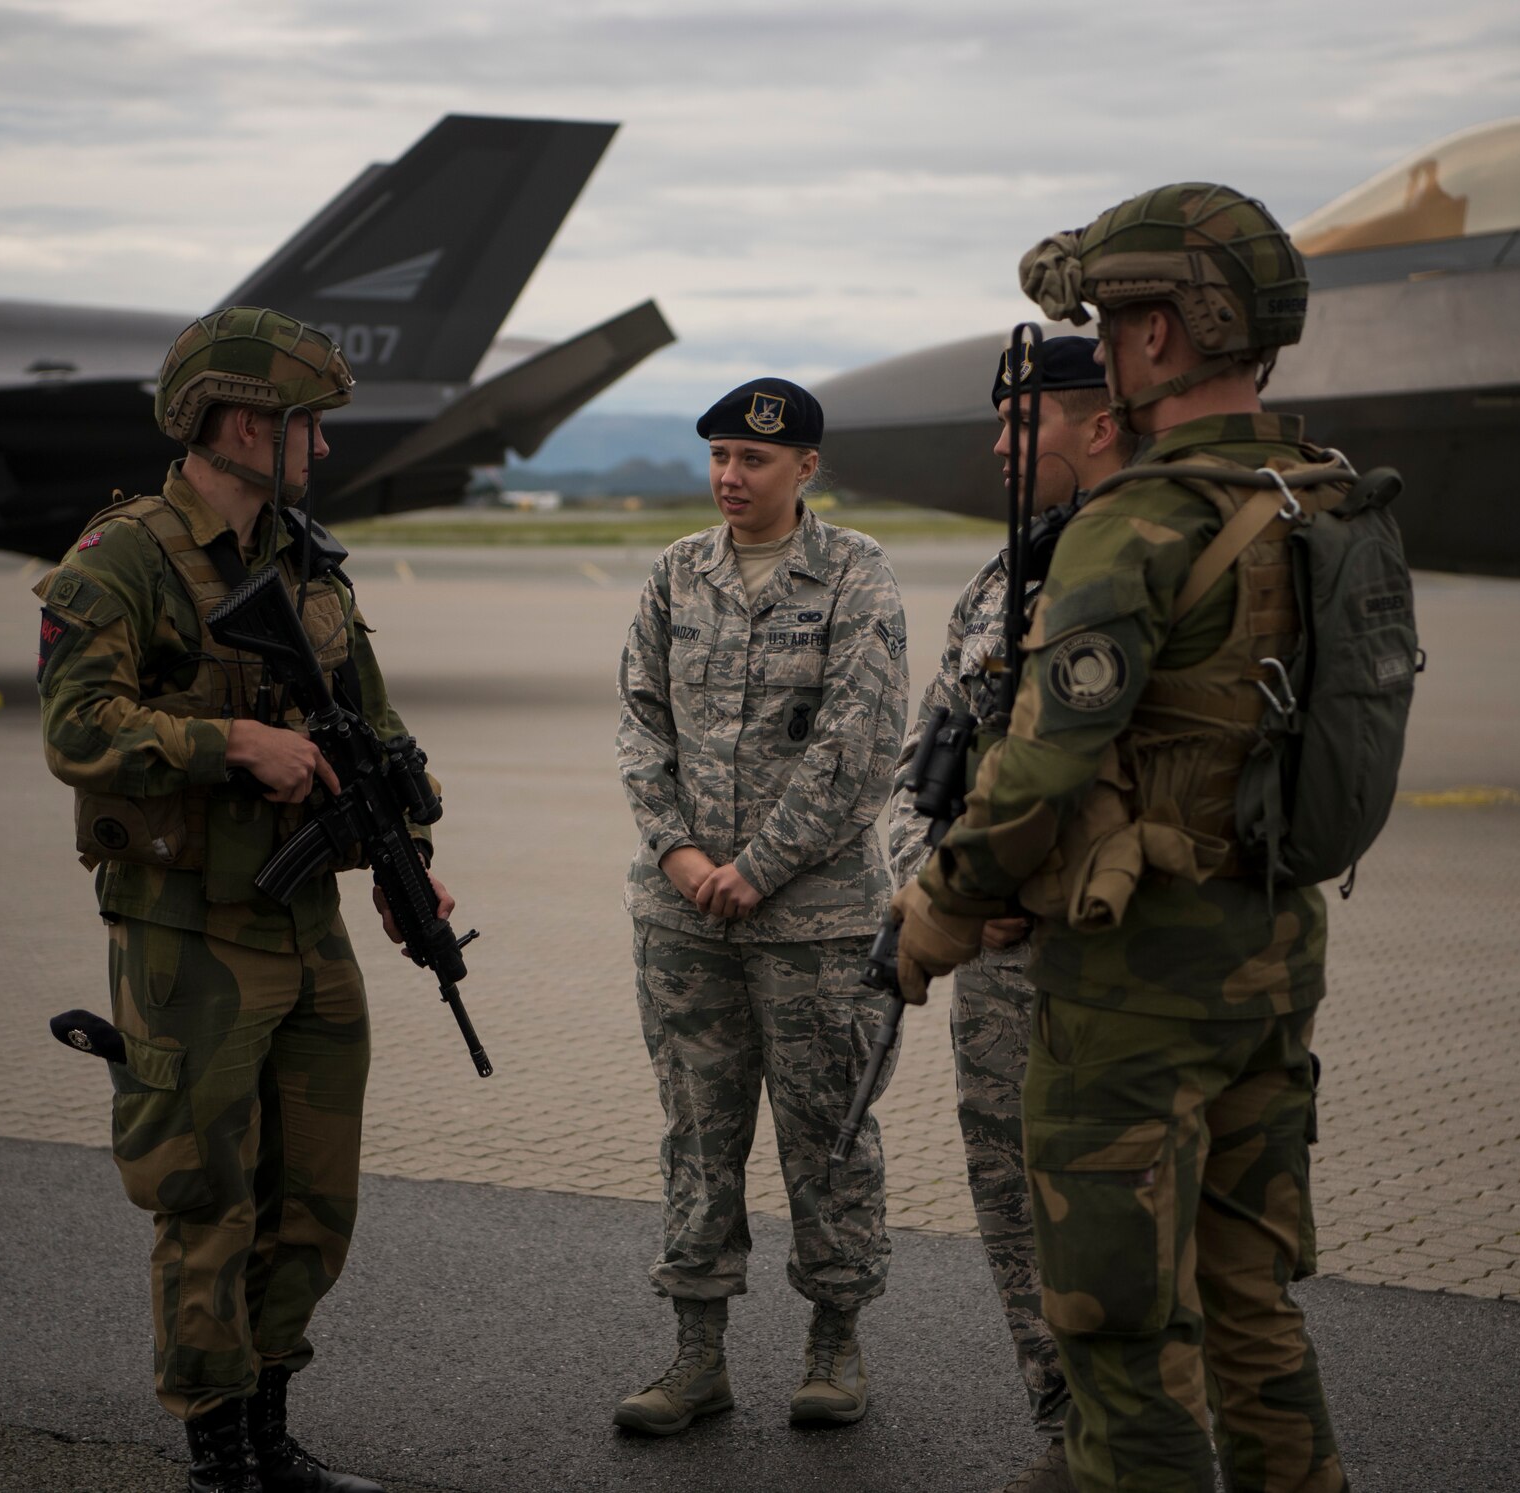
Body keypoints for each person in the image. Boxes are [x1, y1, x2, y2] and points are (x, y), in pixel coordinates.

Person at [891, 185, 1353, 1492]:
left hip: (1137, 986)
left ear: (1160, 336)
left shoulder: (1137, 521)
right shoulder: (1319, 499)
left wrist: (930, 916)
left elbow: (1039, 768)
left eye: (1113, 316)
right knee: (1254, 1302)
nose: (1109, 340)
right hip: (1270, 946)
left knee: (1116, 1325)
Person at [35, 307, 448, 1493]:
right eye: (304, 426)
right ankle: (219, 1448)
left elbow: (370, 723)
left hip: (306, 923)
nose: (318, 448)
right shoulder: (121, 557)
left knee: (312, 1197)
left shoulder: (305, 556)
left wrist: (405, 852)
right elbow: (74, 728)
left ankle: (272, 1427)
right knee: (204, 1192)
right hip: (189, 930)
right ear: (240, 422)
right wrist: (231, 743)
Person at [613, 378, 910, 1436]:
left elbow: (860, 744)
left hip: (816, 924)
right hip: (683, 920)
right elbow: (640, 726)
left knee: (826, 1136)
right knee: (696, 1134)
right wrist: (682, 854)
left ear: (804, 468)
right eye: (719, 457)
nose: (731, 476)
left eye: (753, 459)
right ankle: (696, 1354)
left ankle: (835, 1342)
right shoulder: (673, 574)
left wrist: (758, 866)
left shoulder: (856, 577)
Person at [886, 335, 1130, 1493]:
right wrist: (930, 877)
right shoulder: (1002, 575)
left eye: (1020, 424)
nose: (995, 445)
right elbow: (924, 757)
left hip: (1098, 960)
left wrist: (978, 892)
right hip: (987, 960)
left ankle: (1132, 1440)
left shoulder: (1137, 564)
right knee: (1005, 1196)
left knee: (1112, 1212)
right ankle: (1063, 1433)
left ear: (1098, 425)